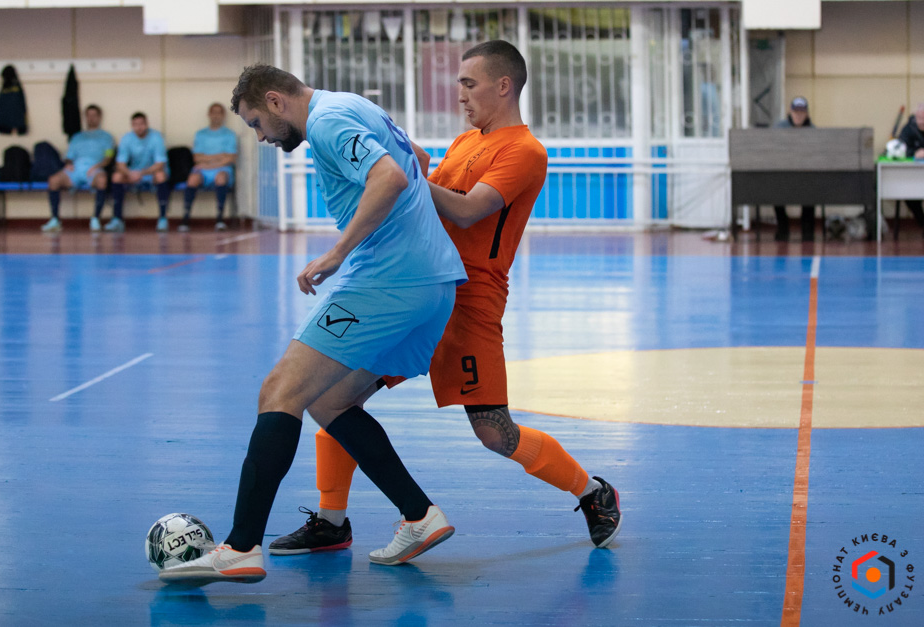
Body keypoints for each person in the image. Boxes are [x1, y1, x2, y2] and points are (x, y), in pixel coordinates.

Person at [268, 41, 622, 559]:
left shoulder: (525, 151)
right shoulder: (464, 142)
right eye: (459, 83)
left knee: (494, 433)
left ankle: (592, 491)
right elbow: (420, 185)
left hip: (472, 299)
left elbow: (467, 210)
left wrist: (399, 176)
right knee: (334, 396)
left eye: (469, 84)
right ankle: (331, 520)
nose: (460, 94)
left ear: (504, 86)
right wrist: (398, 161)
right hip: (419, 284)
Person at [159, 64, 467, 584]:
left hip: (388, 279)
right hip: (432, 282)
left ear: (276, 101)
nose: (260, 137)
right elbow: (415, 158)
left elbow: (391, 176)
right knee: (328, 401)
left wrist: (337, 253)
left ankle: (240, 547)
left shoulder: (325, 122)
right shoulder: (351, 103)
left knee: (280, 390)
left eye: (257, 123)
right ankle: (419, 515)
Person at [41, 104, 115, 233]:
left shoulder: (107, 137)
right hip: (75, 169)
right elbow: (69, 156)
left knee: (102, 179)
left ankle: (95, 219)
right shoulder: (77, 137)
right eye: (88, 115)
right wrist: (68, 163)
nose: (91, 118)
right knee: (53, 180)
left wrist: (98, 166)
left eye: (94, 115)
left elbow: (108, 157)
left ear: (99, 117)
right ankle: (55, 220)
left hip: (94, 169)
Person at [106, 112, 169, 232]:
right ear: (132, 125)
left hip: (150, 173)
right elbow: (120, 164)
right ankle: (117, 219)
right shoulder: (127, 138)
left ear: (147, 124)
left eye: (141, 124)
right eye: (135, 124)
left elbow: (160, 164)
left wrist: (142, 173)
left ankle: (162, 219)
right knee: (117, 176)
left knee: (161, 176)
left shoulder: (156, 137)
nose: (139, 127)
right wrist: (130, 173)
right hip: (133, 174)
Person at [180, 103, 238, 232]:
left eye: (219, 112)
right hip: (203, 169)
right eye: (213, 112)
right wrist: (220, 156)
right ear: (209, 114)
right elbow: (197, 158)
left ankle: (220, 219)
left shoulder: (229, 134)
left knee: (221, 178)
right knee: (193, 179)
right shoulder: (200, 134)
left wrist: (209, 161)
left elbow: (230, 158)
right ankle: (185, 219)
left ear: (223, 115)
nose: (216, 115)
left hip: (221, 169)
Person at [773, 96, 816, 242]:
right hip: (783, 174)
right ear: (790, 112)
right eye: (796, 112)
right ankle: (783, 228)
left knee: (812, 191)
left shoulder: (813, 131)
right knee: (773, 190)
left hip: (805, 175)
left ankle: (807, 231)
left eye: (802, 112)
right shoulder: (779, 128)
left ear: (806, 114)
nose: (798, 115)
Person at [894, 101, 924, 232]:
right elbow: (900, 149)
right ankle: (922, 222)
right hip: (913, 175)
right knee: (909, 195)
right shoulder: (909, 128)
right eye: (919, 118)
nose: (921, 122)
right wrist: (914, 153)